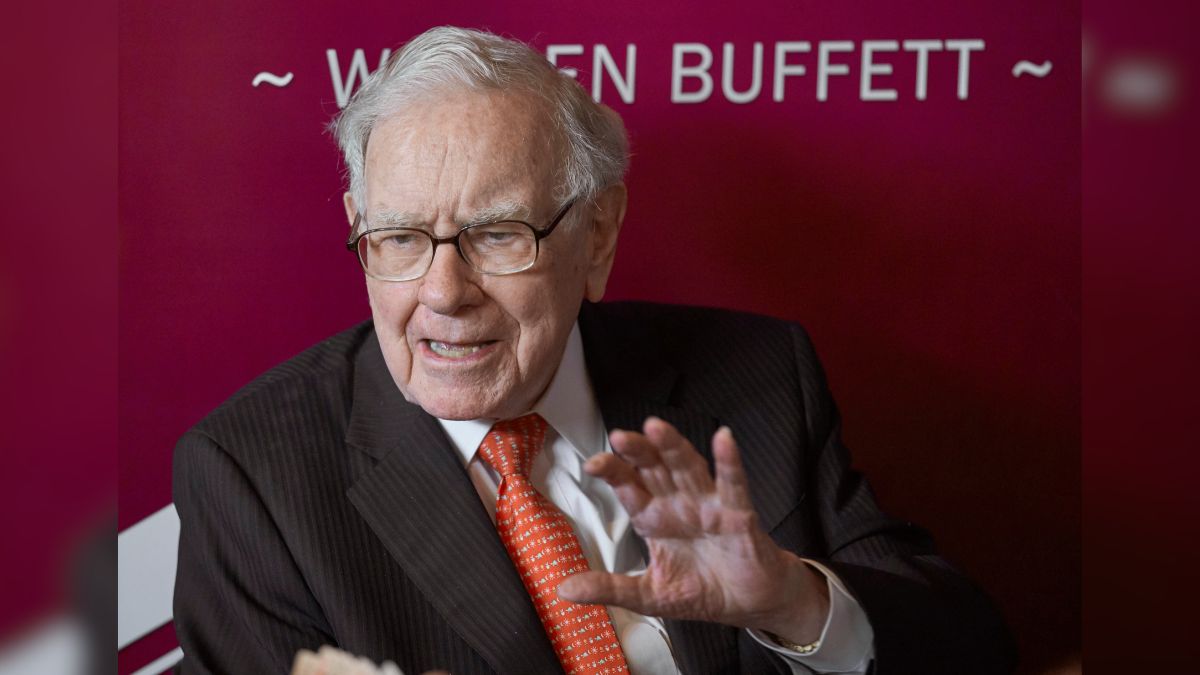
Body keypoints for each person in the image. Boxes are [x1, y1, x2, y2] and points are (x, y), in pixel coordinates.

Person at [172, 26, 1014, 675]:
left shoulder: (762, 378)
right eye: (397, 238)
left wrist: (795, 601)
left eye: (497, 234)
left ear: (598, 234)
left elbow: (973, 651)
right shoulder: (255, 478)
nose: (442, 291)